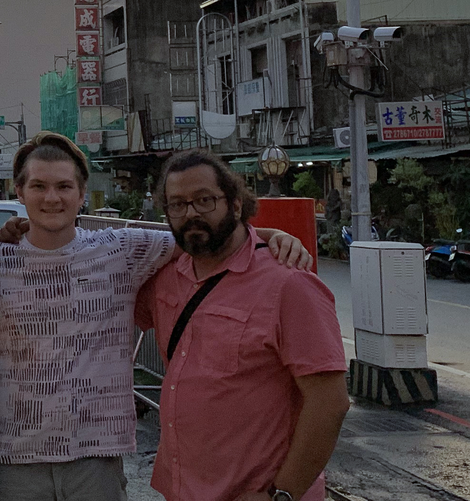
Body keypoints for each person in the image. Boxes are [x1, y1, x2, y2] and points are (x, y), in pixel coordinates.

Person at [0, 133, 313, 501]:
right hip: (14, 460)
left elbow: (205, 238)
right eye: (38, 186)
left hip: (97, 459)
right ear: (20, 192)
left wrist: (268, 234)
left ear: (81, 192)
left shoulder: (123, 249)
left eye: (63, 187)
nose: (51, 197)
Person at [135, 149, 349, 501]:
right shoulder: (166, 277)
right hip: (182, 490)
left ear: (235, 205)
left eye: (204, 200)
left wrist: (281, 494)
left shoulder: (289, 284)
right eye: (177, 204)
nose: (191, 214)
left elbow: (330, 402)